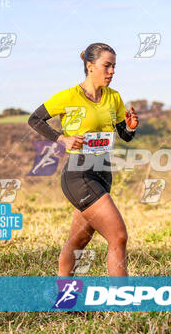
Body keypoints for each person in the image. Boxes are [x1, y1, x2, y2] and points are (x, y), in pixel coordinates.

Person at [28, 42, 139, 276]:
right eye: (107, 66)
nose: (112, 72)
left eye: (114, 67)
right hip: (79, 175)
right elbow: (35, 119)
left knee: (78, 242)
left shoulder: (114, 98)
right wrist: (62, 139)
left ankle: (65, 300)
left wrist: (130, 128)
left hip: (103, 174)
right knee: (118, 236)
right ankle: (122, 306)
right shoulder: (69, 96)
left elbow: (124, 135)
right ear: (90, 66)